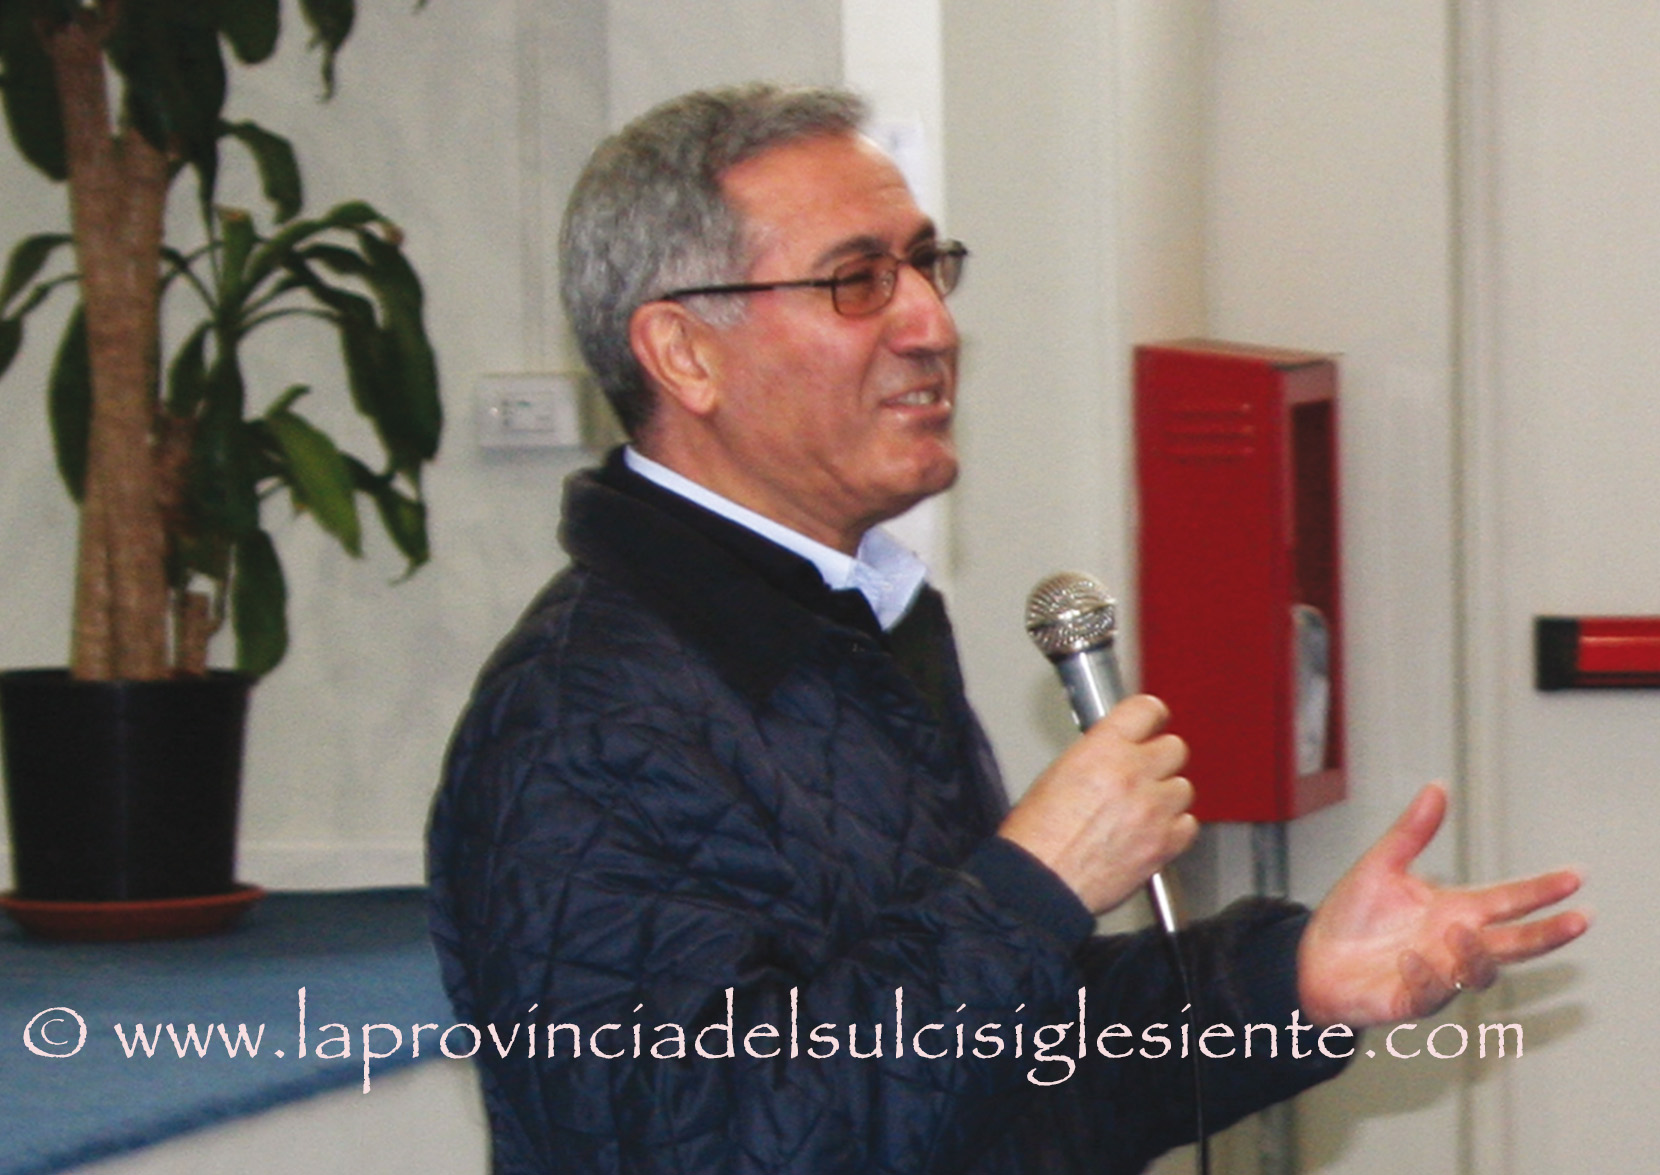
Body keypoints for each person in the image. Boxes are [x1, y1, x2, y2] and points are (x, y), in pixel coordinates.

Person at [427, 82, 1587, 1173]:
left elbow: (1007, 1073)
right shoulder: (580, 716)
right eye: (856, 280)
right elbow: (707, 1139)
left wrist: (1290, 982)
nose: (931, 323)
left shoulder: (842, 625)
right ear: (684, 354)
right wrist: (1029, 884)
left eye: (926, 265)